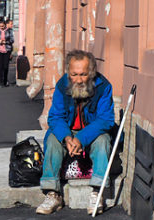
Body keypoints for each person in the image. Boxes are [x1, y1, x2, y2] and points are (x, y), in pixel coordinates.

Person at [35, 50, 115, 215]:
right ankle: (52, 193)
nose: (78, 80)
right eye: (74, 74)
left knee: (102, 142)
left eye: (83, 75)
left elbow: (105, 120)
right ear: (68, 72)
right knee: (51, 139)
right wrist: (67, 137)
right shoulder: (62, 85)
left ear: (91, 73)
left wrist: (80, 139)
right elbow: (55, 117)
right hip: (69, 132)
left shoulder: (103, 86)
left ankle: (97, 192)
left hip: (92, 131)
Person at [0, 20, 14, 87]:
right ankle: (1, 82)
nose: (1, 27)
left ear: (5, 25)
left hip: (7, 50)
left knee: (5, 66)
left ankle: (5, 80)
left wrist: (6, 42)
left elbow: (12, 40)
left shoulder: (9, 31)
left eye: (3, 26)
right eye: (0, 26)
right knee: (0, 67)